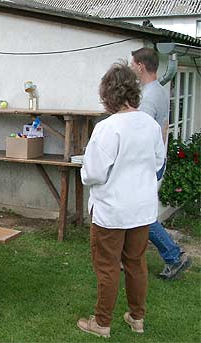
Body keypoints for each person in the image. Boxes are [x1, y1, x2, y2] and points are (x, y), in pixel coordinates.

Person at [77, 62, 165, 338]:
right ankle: (136, 318)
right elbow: (157, 162)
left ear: (108, 94)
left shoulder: (107, 128)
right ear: (133, 91)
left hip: (112, 211)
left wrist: (84, 167)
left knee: (107, 266)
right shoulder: (150, 125)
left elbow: (91, 174)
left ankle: (102, 323)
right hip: (141, 208)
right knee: (136, 263)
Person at [130, 47, 191, 280]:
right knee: (136, 213)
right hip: (155, 162)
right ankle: (127, 259)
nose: (132, 67)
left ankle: (174, 256)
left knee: (140, 215)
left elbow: (141, 137)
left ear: (140, 66)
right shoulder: (159, 91)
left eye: (132, 64)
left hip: (146, 165)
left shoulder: (148, 98)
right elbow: (162, 132)